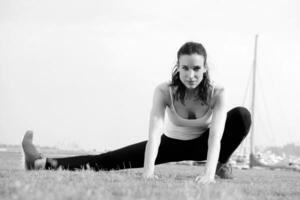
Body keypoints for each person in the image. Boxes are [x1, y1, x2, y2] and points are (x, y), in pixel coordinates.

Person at [22, 41, 251, 184]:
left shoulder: (217, 92)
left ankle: (221, 163)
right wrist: (148, 172)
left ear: (205, 68)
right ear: (178, 68)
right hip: (170, 144)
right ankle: (40, 163)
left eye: (197, 68)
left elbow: (216, 136)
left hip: (204, 143)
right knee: (107, 160)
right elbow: (154, 135)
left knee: (241, 115)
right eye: (185, 68)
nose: (191, 74)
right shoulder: (164, 91)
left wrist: (209, 174)